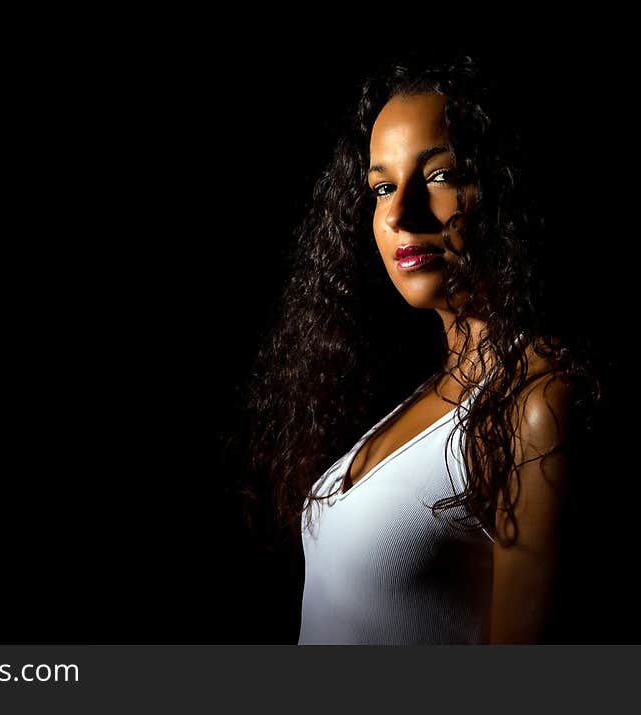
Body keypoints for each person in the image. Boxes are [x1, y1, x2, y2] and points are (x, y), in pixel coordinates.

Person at [240, 53, 600, 645]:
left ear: (508, 188)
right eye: (382, 187)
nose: (401, 214)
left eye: (441, 175)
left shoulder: (539, 403)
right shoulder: (424, 395)